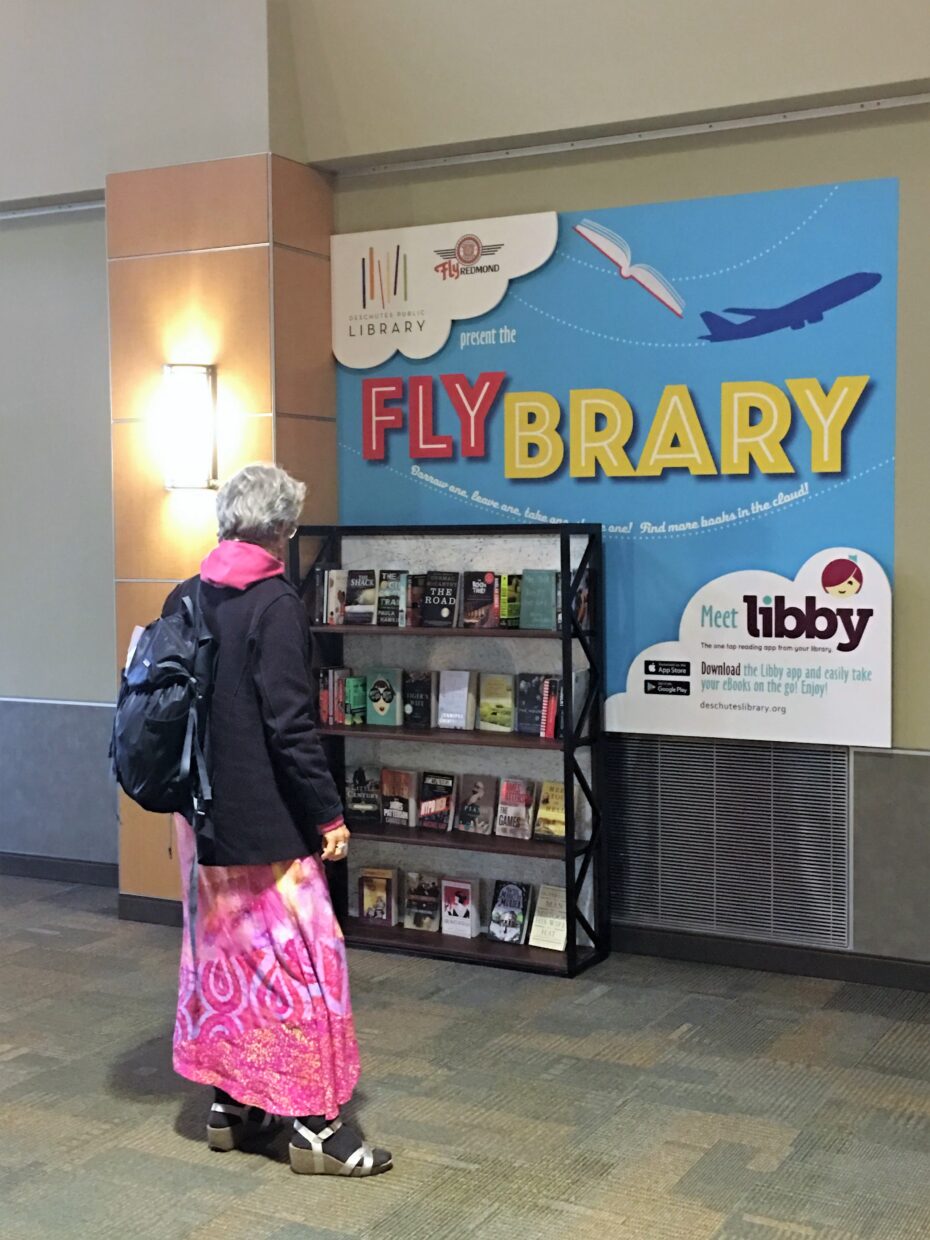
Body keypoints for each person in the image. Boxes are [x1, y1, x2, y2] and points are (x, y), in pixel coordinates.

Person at [162, 463, 391, 1177]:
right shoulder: (275, 605)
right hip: (268, 832)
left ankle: (235, 1105)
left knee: (229, 966)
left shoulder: (185, 597)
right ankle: (316, 1129)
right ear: (280, 532)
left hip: (201, 824)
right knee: (304, 969)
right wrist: (327, 815)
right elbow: (290, 727)